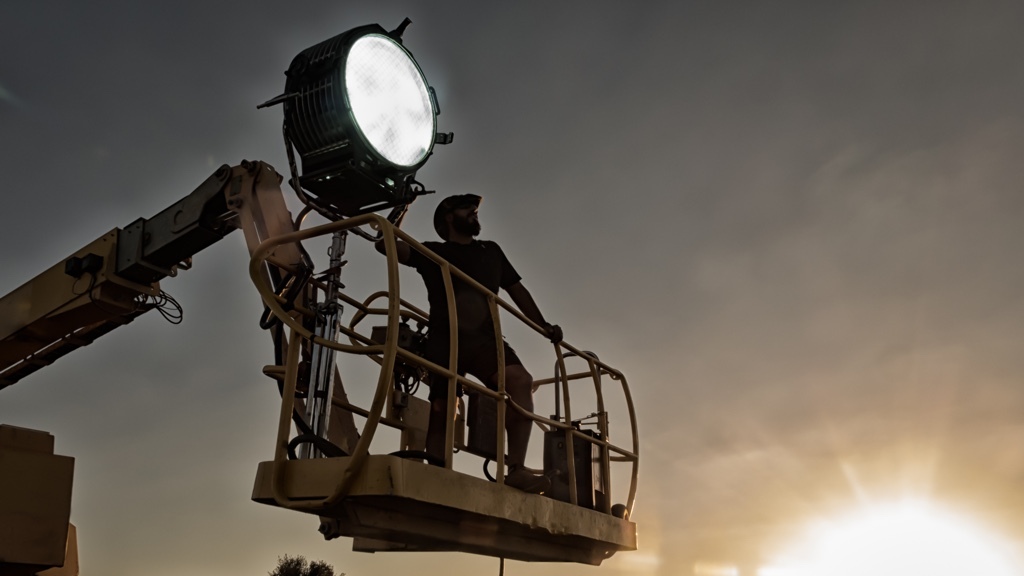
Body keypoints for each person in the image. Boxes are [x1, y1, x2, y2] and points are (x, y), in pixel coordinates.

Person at [375, 194, 562, 493]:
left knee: (519, 380)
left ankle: (516, 469)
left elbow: (517, 290)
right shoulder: (432, 252)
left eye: (476, 211)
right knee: (442, 404)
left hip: (485, 339)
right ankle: (436, 471)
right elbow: (384, 244)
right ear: (449, 218)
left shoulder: (491, 252)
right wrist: (403, 205)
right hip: (444, 338)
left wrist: (543, 326)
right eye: (468, 210)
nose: (475, 215)